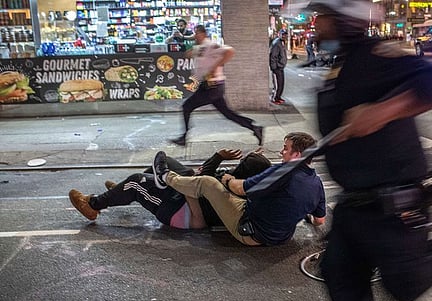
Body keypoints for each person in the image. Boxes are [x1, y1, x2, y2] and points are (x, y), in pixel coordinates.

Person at [304, 1, 432, 301]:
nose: (315, 23)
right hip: (354, 204)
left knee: (405, 284)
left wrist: (383, 112)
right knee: (340, 275)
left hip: (393, 203)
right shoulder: (339, 66)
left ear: (343, 21)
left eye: (321, 17)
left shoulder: (377, 55)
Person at [153, 132, 326, 246]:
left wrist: (228, 180)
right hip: (281, 238)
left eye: (285, 149)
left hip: (251, 232)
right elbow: (320, 220)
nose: (281, 152)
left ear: (296, 155)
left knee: (207, 183)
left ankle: (165, 177)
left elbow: (242, 189)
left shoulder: (282, 172)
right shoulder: (316, 184)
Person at [69, 148, 271, 231]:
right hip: (190, 196)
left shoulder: (231, 186)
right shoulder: (246, 185)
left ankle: (94, 205)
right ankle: (121, 193)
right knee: (171, 163)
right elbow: (201, 178)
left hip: (182, 210)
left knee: (136, 181)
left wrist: (217, 158)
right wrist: (218, 156)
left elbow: (202, 181)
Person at [170, 25, 263, 146]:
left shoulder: (211, 45)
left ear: (202, 34)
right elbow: (190, 54)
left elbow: (230, 51)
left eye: (197, 33)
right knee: (228, 114)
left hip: (212, 86)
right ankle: (255, 128)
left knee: (187, 107)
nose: (195, 36)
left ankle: (184, 137)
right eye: (194, 33)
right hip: (210, 86)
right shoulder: (201, 47)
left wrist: (216, 66)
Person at [269, 29, 288, 105]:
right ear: (279, 34)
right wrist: (274, 67)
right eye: (283, 34)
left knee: (281, 83)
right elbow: (273, 56)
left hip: (280, 67)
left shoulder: (281, 42)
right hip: (277, 68)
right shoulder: (277, 43)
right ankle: (274, 98)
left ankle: (278, 97)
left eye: (285, 34)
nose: (284, 36)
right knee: (277, 84)